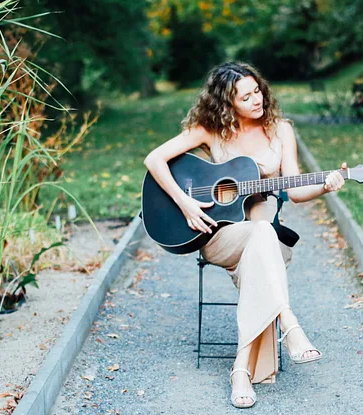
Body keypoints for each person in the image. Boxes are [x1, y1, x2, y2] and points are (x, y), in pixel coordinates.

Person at [143, 61, 346, 409]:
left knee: (264, 233)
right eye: (246, 97)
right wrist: (187, 204)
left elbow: (295, 190)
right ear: (227, 104)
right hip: (220, 235)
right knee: (261, 237)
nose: (257, 100)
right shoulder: (209, 129)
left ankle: (240, 371)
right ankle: (289, 324)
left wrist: (325, 187)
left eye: (258, 91)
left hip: (262, 232)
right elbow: (155, 159)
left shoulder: (281, 130)